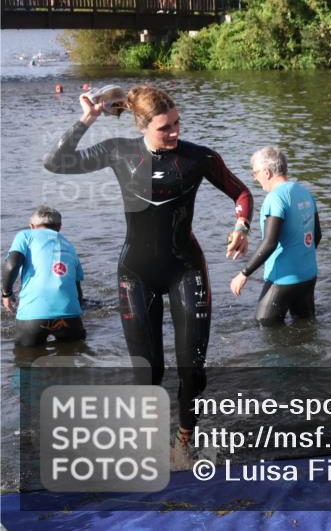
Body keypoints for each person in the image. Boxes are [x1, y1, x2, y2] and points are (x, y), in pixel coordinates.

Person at [43, 85, 253, 464]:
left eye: (177, 123)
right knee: (148, 372)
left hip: (185, 268)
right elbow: (56, 162)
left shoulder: (199, 158)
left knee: (193, 369)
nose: (175, 132)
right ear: (142, 126)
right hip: (135, 273)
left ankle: (183, 441)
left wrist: (241, 226)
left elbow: (241, 193)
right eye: (164, 127)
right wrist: (87, 119)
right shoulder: (118, 151)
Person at [230, 147, 320, 326]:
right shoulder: (305, 193)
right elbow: (317, 236)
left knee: (264, 327)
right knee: (305, 328)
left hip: (283, 279)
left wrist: (244, 274)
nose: (255, 178)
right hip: (308, 276)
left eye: (255, 173)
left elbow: (270, 242)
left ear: (267, 172)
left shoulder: (275, 198)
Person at [2, 206, 86, 348]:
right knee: (71, 357)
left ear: (32, 226)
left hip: (33, 317)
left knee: (26, 359)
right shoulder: (70, 246)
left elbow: (12, 264)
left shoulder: (25, 235)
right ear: (59, 227)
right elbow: (77, 290)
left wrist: (6, 293)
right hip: (70, 317)